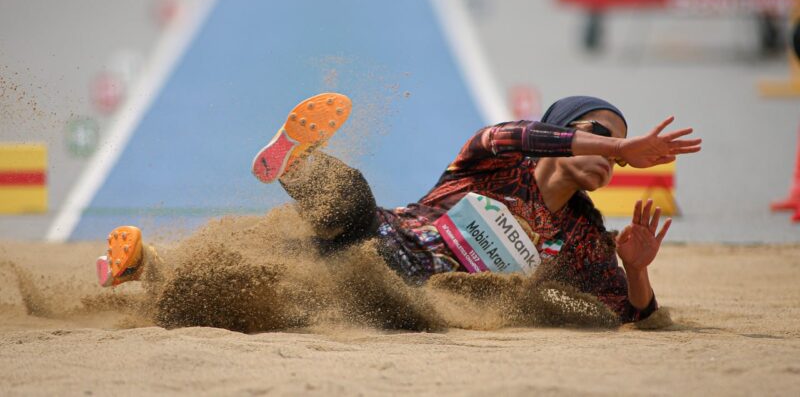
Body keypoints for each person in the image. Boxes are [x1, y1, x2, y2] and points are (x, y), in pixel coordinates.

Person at [97, 92, 701, 324]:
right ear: (565, 131)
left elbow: (631, 315)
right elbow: (515, 132)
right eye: (599, 134)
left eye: (617, 151)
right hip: (380, 235)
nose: (611, 154)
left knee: (258, 286)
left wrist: (637, 269)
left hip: (408, 294)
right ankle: (296, 164)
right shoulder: (495, 160)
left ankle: (143, 265)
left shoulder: (582, 234)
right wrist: (621, 147)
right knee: (354, 204)